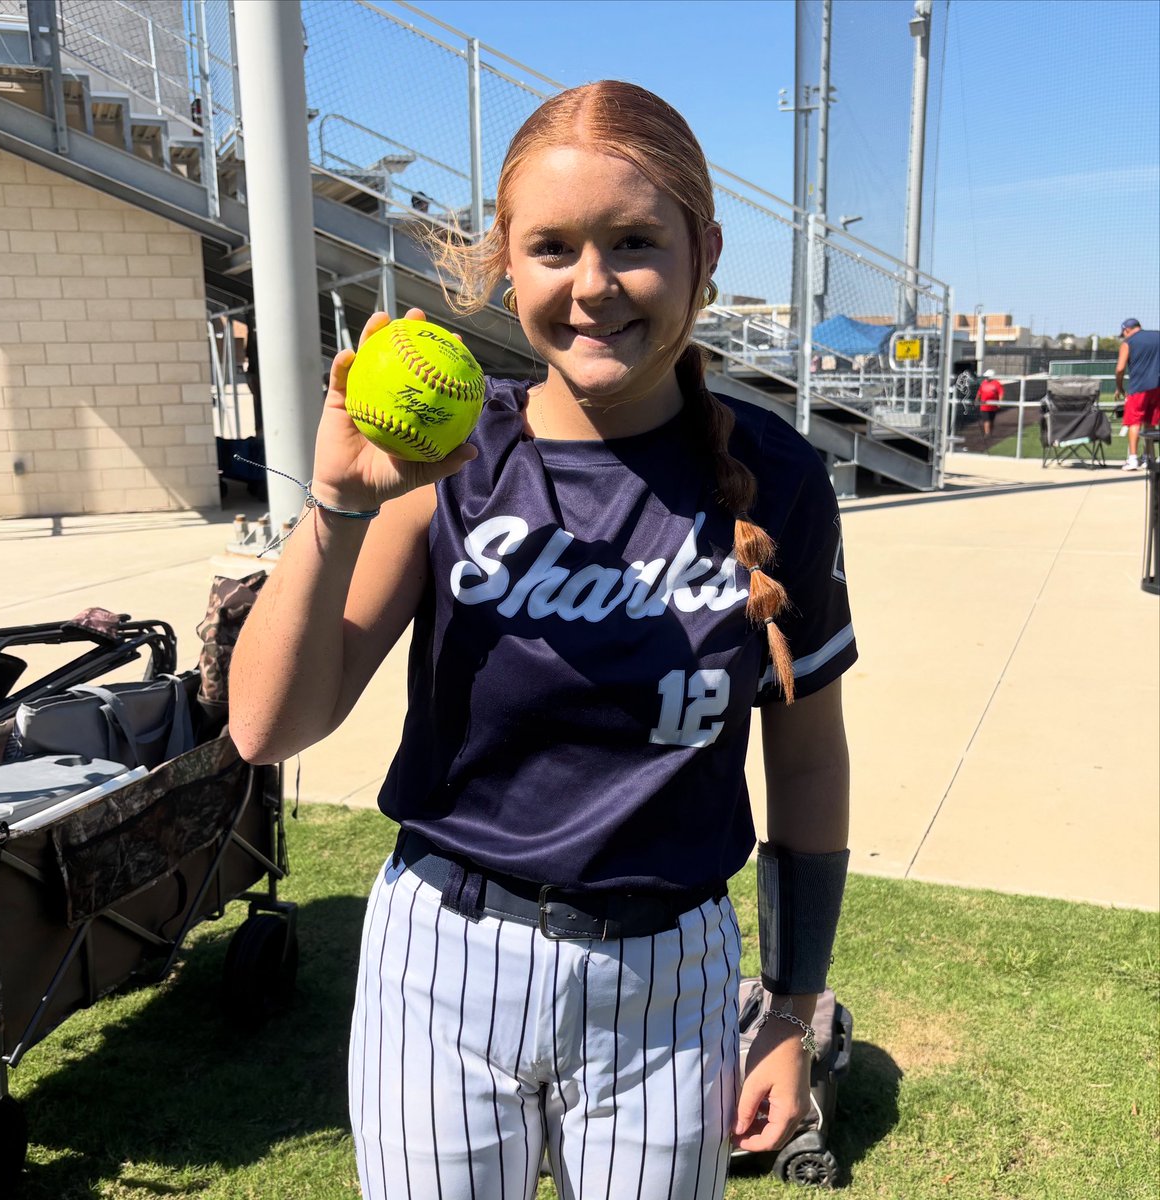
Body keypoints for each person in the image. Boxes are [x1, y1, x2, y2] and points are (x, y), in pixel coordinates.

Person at [229, 80, 855, 1200]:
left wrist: (794, 1007)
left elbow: (807, 761)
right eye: (553, 246)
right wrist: (337, 504)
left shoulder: (781, 477)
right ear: (504, 265)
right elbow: (269, 727)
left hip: (671, 977)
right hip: (444, 959)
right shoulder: (456, 458)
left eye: (634, 242)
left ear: (704, 253)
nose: (594, 284)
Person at [1114, 318, 1160, 471]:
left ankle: (1133, 459)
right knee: (1150, 422)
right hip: (1157, 387)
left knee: (1134, 422)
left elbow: (1120, 369)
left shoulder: (1128, 342)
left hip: (1138, 388)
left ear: (1126, 330)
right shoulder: (1157, 336)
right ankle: (1149, 457)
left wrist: (1119, 387)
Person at [976, 368, 1004, 439]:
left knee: (991, 420)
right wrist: (977, 399)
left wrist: (999, 402)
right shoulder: (983, 383)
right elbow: (979, 392)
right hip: (984, 405)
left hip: (993, 406)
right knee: (986, 420)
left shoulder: (997, 383)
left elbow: (1001, 393)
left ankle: (990, 433)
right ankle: (987, 433)